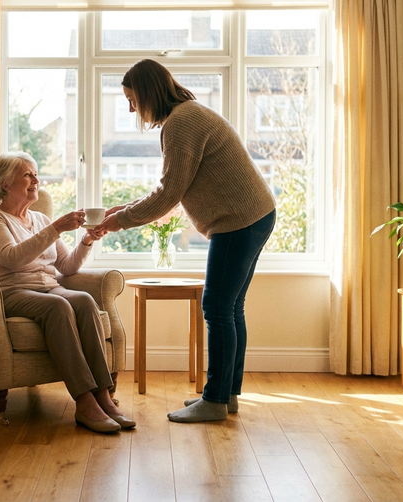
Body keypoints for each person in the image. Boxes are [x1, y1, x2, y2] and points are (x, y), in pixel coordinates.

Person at [95, 59, 277, 423]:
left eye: (133, 99)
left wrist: (120, 221)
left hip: (238, 220)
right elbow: (170, 187)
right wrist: (123, 209)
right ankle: (226, 396)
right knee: (230, 307)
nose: (131, 108)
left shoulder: (180, 123)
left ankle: (214, 401)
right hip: (255, 215)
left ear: (148, 93)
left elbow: (168, 193)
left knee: (216, 307)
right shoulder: (186, 115)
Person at [0, 151, 135, 434]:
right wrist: (57, 228)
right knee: (57, 307)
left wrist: (86, 240)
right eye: (27, 174)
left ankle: (103, 397)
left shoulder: (38, 219)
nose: (36, 179)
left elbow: (66, 266)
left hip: (49, 288)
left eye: (36, 173)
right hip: (12, 292)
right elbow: (12, 259)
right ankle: (84, 401)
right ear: (5, 184)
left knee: (85, 301)